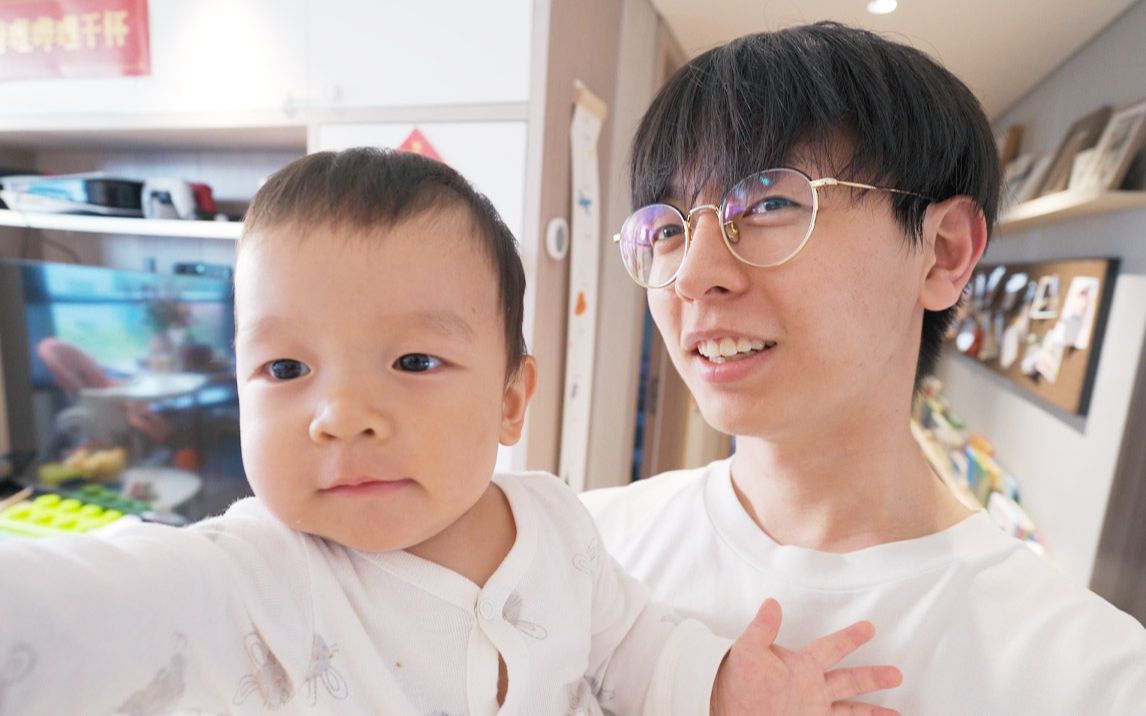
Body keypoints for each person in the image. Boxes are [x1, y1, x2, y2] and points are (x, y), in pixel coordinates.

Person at [0, 148, 903, 716]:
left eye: (413, 361)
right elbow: (81, 606)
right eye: (284, 369)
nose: (340, 413)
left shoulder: (556, 522)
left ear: (511, 400)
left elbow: (630, 643)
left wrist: (718, 686)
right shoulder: (254, 573)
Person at [583, 21, 1146, 714]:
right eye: (669, 228)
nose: (694, 275)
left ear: (942, 253)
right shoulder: (578, 555)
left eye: (770, 202)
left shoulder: (1094, 680)